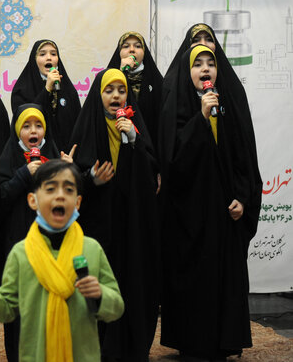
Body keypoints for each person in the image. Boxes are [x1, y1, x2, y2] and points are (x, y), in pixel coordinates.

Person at [0, 160, 125, 362]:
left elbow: (116, 306)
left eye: (68, 189)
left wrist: (101, 295)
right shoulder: (21, 253)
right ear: (33, 200)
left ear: (78, 202)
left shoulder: (91, 249)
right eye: (50, 188)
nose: (60, 195)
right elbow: (5, 307)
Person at [158, 45, 262, 361]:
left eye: (210, 64)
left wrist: (243, 198)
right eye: (198, 65)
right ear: (187, 72)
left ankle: (226, 340)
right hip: (190, 217)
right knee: (194, 282)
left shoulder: (227, 103)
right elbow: (173, 162)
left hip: (225, 214)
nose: (205, 70)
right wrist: (200, 118)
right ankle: (193, 342)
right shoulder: (176, 107)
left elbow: (244, 157)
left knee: (226, 280)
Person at [69, 68, 160, 362]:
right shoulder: (86, 128)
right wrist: (90, 178)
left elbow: (150, 179)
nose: (116, 96)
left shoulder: (136, 128)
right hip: (98, 228)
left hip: (132, 227)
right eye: (109, 91)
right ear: (99, 95)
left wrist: (133, 140)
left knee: (131, 285)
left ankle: (131, 347)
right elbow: (72, 180)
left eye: (121, 91)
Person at [0, 103, 63, 361]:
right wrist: (24, 174)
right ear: (17, 130)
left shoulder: (53, 154)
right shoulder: (9, 157)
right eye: (27, 126)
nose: (33, 131)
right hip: (19, 244)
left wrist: (68, 173)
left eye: (38, 126)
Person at [11, 39, 81, 153]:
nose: (49, 58)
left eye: (53, 54)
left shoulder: (69, 90)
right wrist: (47, 89)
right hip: (33, 155)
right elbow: (26, 119)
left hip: (65, 157)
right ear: (34, 60)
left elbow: (78, 127)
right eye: (42, 54)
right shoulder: (21, 90)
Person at [107, 32, 163, 152]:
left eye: (138, 46)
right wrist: (122, 72)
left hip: (148, 149)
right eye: (126, 46)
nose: (132, 50)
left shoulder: (156, 81)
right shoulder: (108, 79)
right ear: (119, 52)